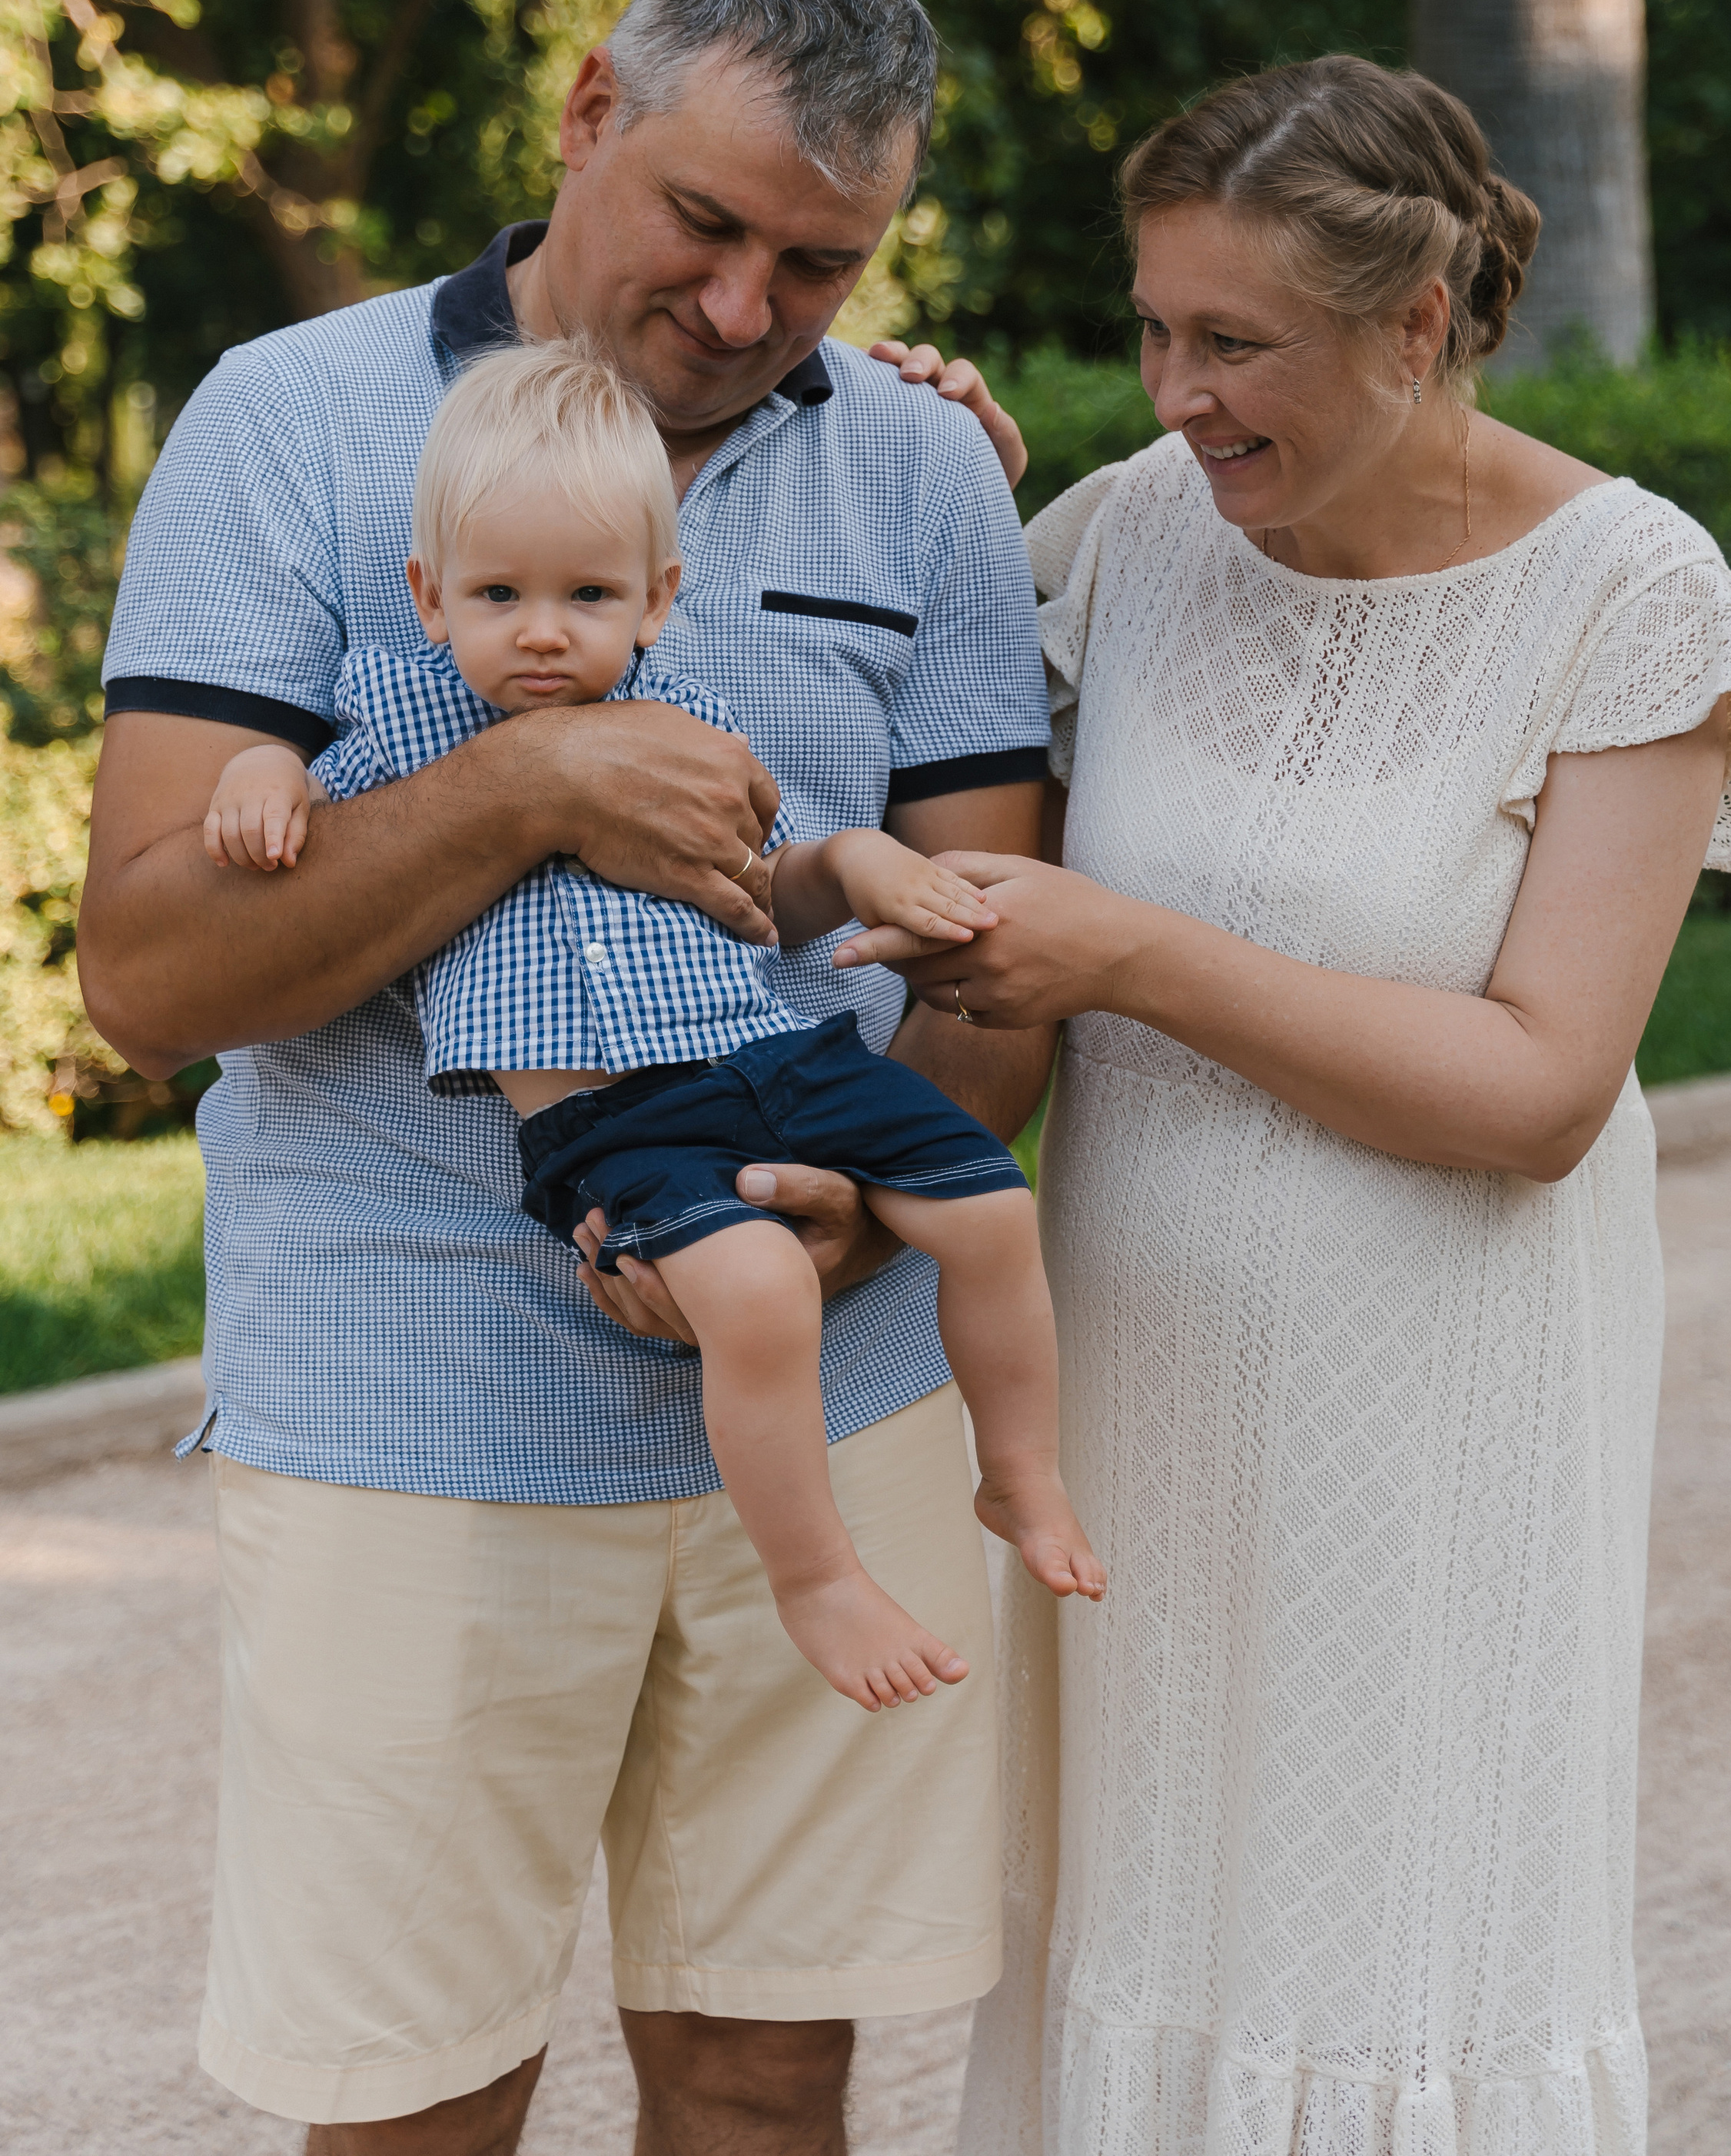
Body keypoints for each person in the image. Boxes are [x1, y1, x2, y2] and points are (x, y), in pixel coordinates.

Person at [78, 0, 1057, 2156]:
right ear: (589, 119)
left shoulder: (922, 477)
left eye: (818, 268)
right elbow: (143, 976)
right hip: (415, 1412)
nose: (744, 316)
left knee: (763, 2077)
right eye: (709, 228)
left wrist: (857, 1215)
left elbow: (990, 951)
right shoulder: (294, 425)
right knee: (418, 2097)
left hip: (843, 1391)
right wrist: (528, 780)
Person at [892, 58, 1731, 2156]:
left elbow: (1539, 1088)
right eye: (1155, 326)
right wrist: (908, 457)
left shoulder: (1629, 595)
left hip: (1437, 1422)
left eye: (1235, 343)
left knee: (1395, 1930)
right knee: (1143, 1919)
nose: (1175, 392)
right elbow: (912, 694)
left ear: (1417, 325)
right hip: (1130, 1397)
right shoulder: (1136, 529)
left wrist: (1131, 956)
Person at [204, 337, 1104, 1712]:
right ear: (428, 597)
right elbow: (314, 795)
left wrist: (859, 864)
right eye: (499, 593)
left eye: (588, 593)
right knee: (755, 1292)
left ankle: (1023, 1474)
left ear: (659, 599)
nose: (546, 630)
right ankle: (819, 1579)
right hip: (611, 1122)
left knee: (987, 1210)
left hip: (770, 1052)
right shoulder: (407, 720)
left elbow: (775, 888)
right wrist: (263, 773)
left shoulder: (688, 719)